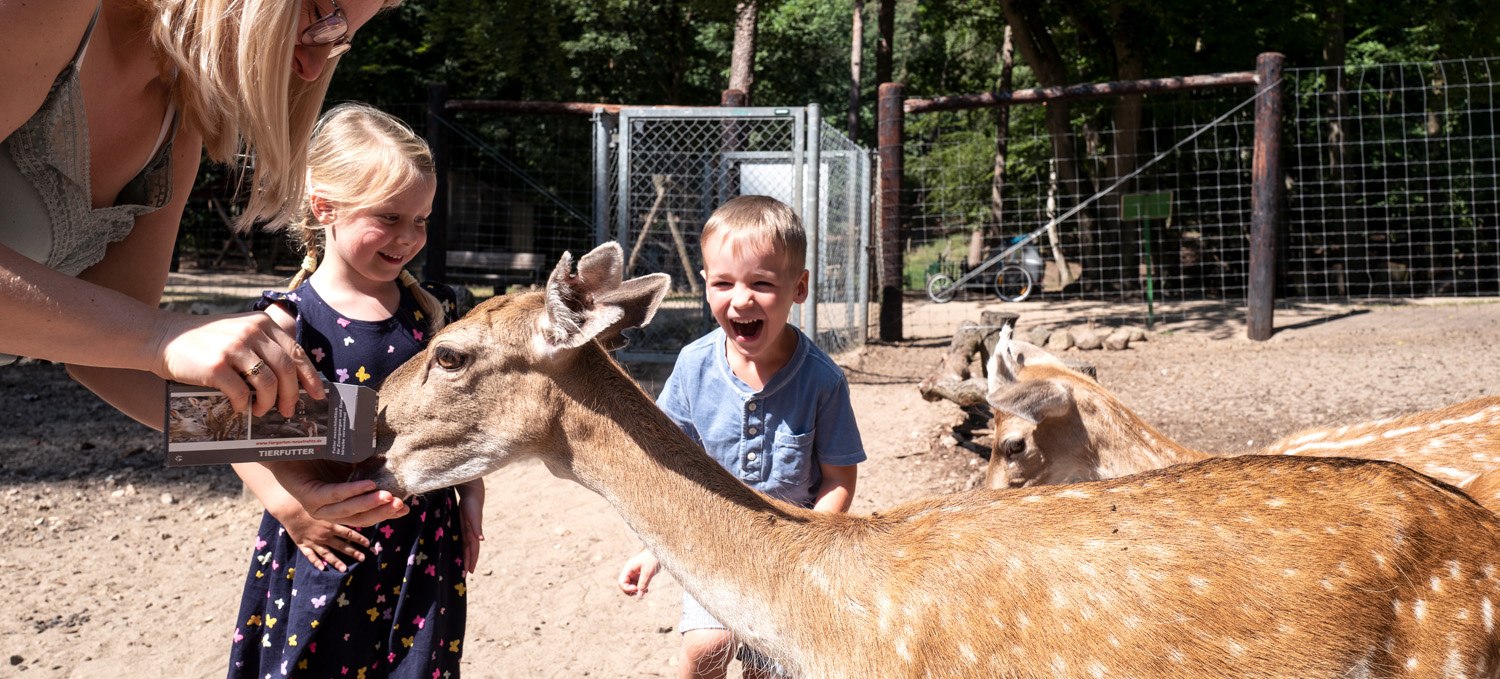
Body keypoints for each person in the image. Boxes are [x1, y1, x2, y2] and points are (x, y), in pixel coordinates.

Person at [0, 0, 405, 525]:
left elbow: (104, 355)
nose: (312, 66)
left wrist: (306, 452)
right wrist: (160, 335)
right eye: (322, 18)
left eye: (339, 41)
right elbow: (143, 340)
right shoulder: (53, 14)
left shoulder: (178, 121)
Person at [226, 103, 484, 678]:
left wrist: (471, 488)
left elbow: (453, 413)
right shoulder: (288, 322)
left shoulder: (432, 311)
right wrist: (290, 508)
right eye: (389, 218)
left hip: (423, 545)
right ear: (324, 208)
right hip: (328, 542)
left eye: (420, 220)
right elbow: (224, 429)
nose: (409, 237)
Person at [616, 195, 866, 679]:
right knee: (706, 648)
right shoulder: (693, 368)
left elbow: (839, 479)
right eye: (723, 283)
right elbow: (668, 468)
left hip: (790, 558)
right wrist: (656, 548)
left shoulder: (822, 380)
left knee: (771, 669)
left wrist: (806, 548)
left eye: (763, 283)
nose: (741, 299)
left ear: (800, 288)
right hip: (713, 545)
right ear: (706, 285)